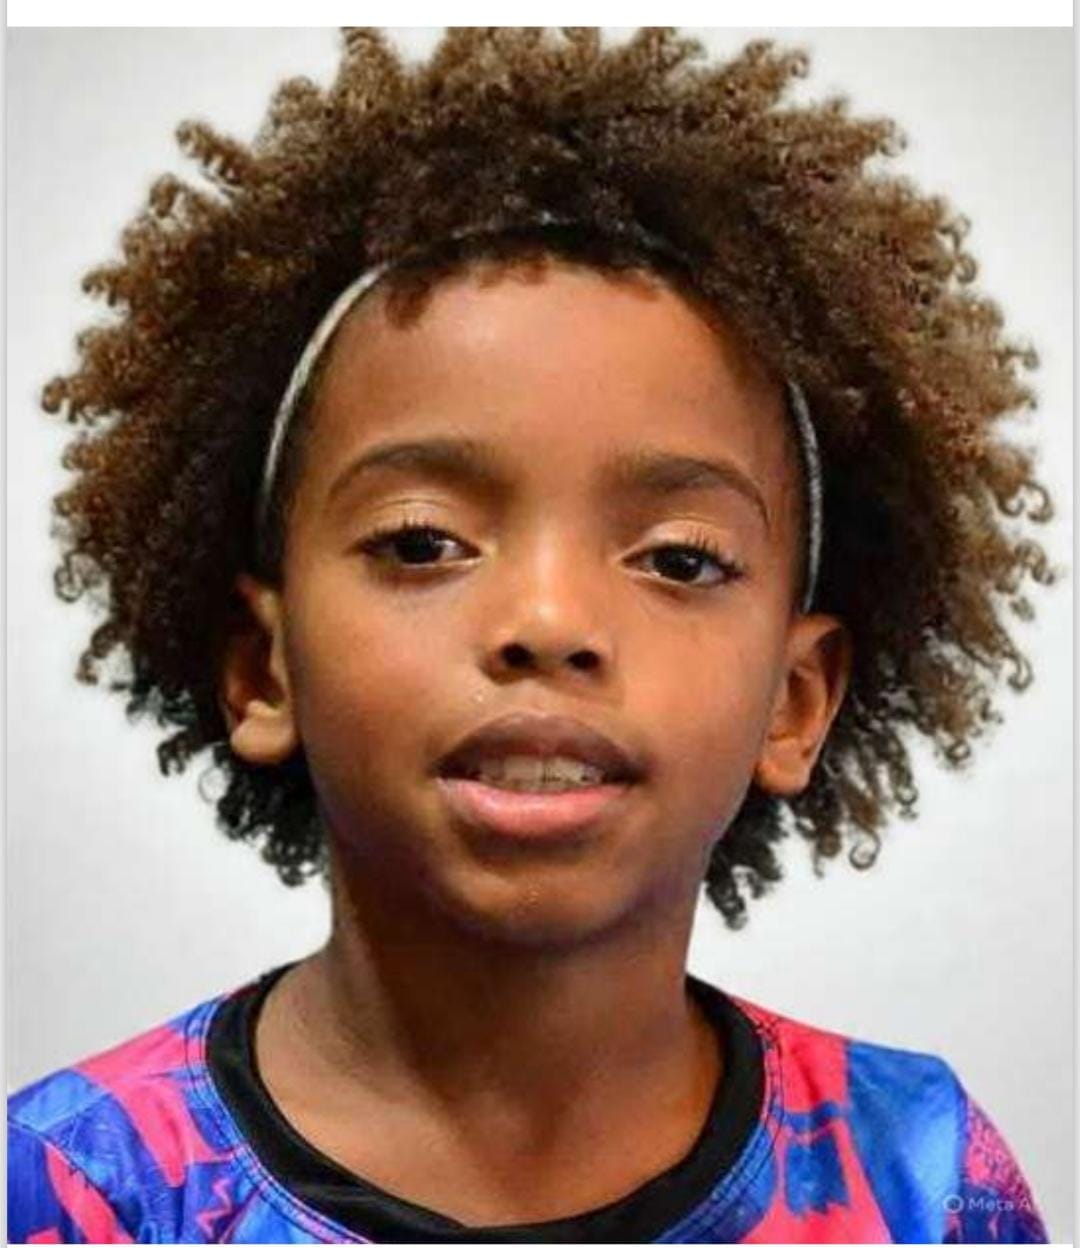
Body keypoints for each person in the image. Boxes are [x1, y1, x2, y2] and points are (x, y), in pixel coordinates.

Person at [7, 27, 1055, 1244]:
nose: (549, 624)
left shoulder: (921, 1181)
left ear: (795, 700)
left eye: (679, 559)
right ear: (262, 669)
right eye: (421, 541)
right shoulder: (73, 1190)